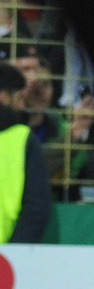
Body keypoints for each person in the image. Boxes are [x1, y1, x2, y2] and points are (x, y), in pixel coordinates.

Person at [0, 61, 50, 243]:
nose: (22, 107)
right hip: (6, 262)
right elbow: (36, 207)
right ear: (4, 97)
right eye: (20, 98)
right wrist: (15, 254)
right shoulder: (22, 139)